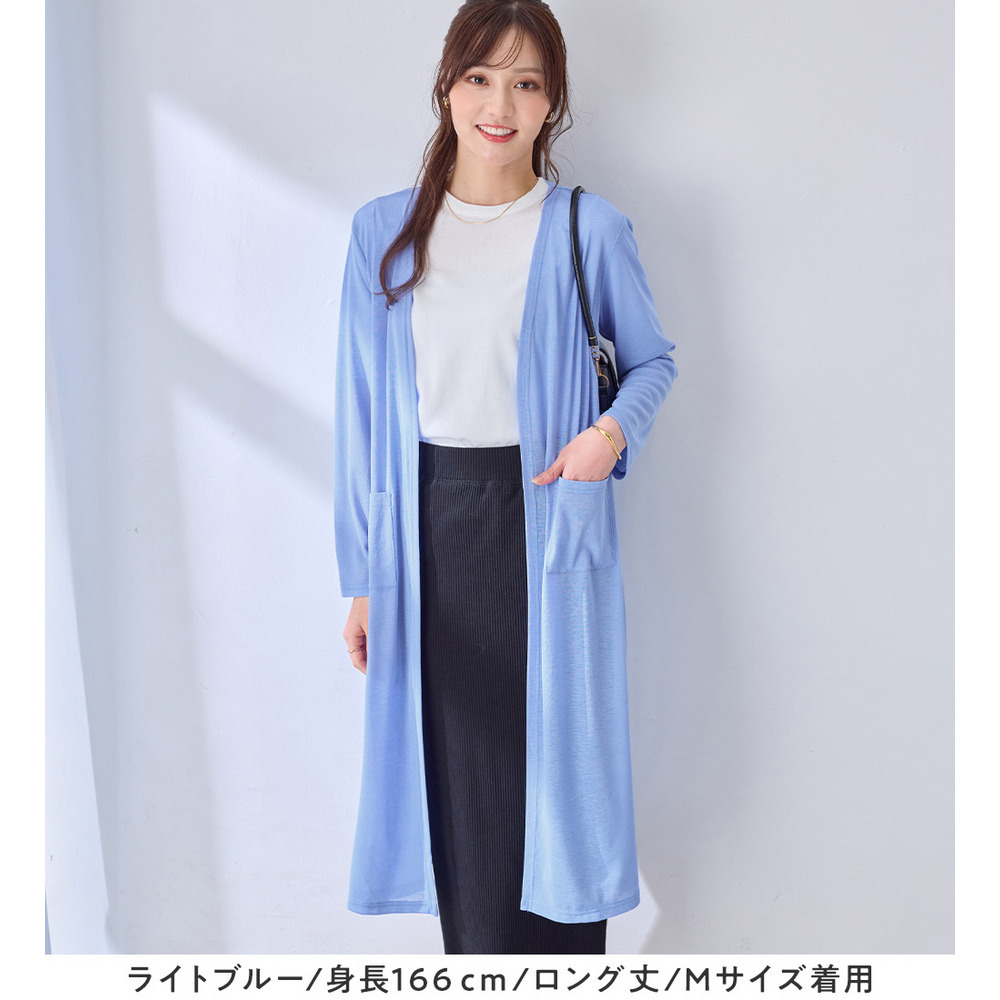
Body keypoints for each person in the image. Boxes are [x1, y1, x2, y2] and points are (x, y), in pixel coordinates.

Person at [334, 0, 677, 955]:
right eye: (480, 78)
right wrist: (363, 578)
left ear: (552, 101)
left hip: (547, 522)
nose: (500, 105)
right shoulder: (383, 233)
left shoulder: (585, 228)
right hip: (426, 537)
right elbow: (361, 416)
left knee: (558, 785)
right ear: (446, 87)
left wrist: (607, 436)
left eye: (526, 83)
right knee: (460, 797)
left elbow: (652, 361)